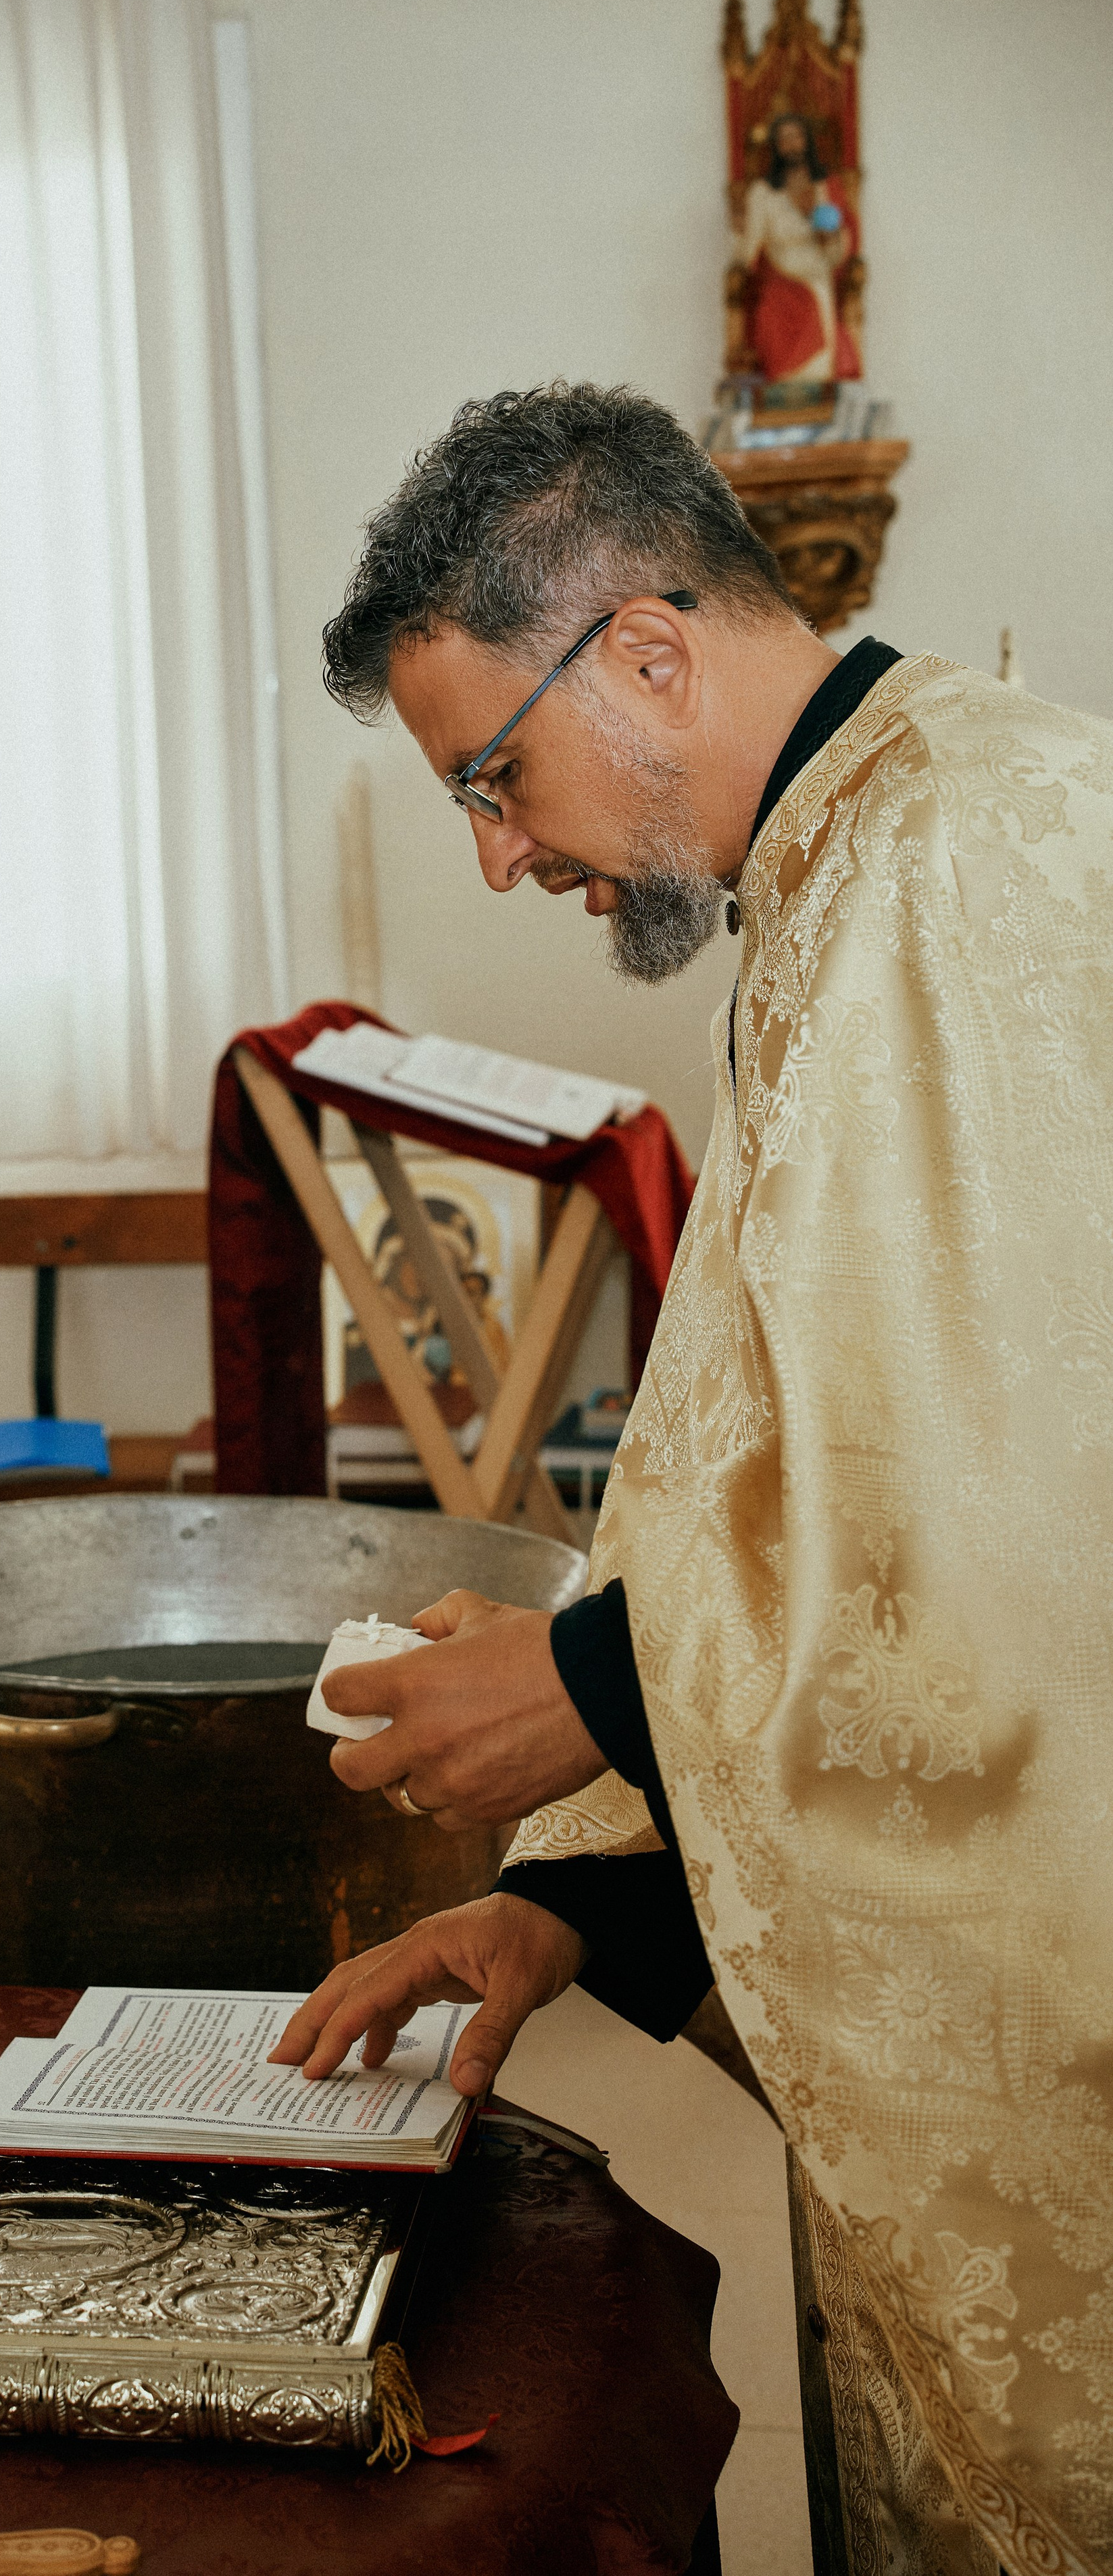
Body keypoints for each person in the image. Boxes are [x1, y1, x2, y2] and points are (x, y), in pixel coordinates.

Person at [271, 383, 1112, 2575]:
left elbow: (1041, 1510)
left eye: (491, 778)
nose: (499, 854)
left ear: (643, 652)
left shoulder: (981, 863)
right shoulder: (850, 862)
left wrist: (595, 1692)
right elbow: (828, 1448)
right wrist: (584, 1895)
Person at [733, 112, 860, 387]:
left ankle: (821, 397)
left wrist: (831, 239)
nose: (791, 144)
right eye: (784, 139)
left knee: (822, 304)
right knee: (770, 313)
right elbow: (749, 250)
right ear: (776, 147)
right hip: (780, 278)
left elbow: (846, 240)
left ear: (807, 141)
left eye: (796, 137)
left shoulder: (826, 185)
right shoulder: (763, 193)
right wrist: (741, 245)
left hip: (820, 274)